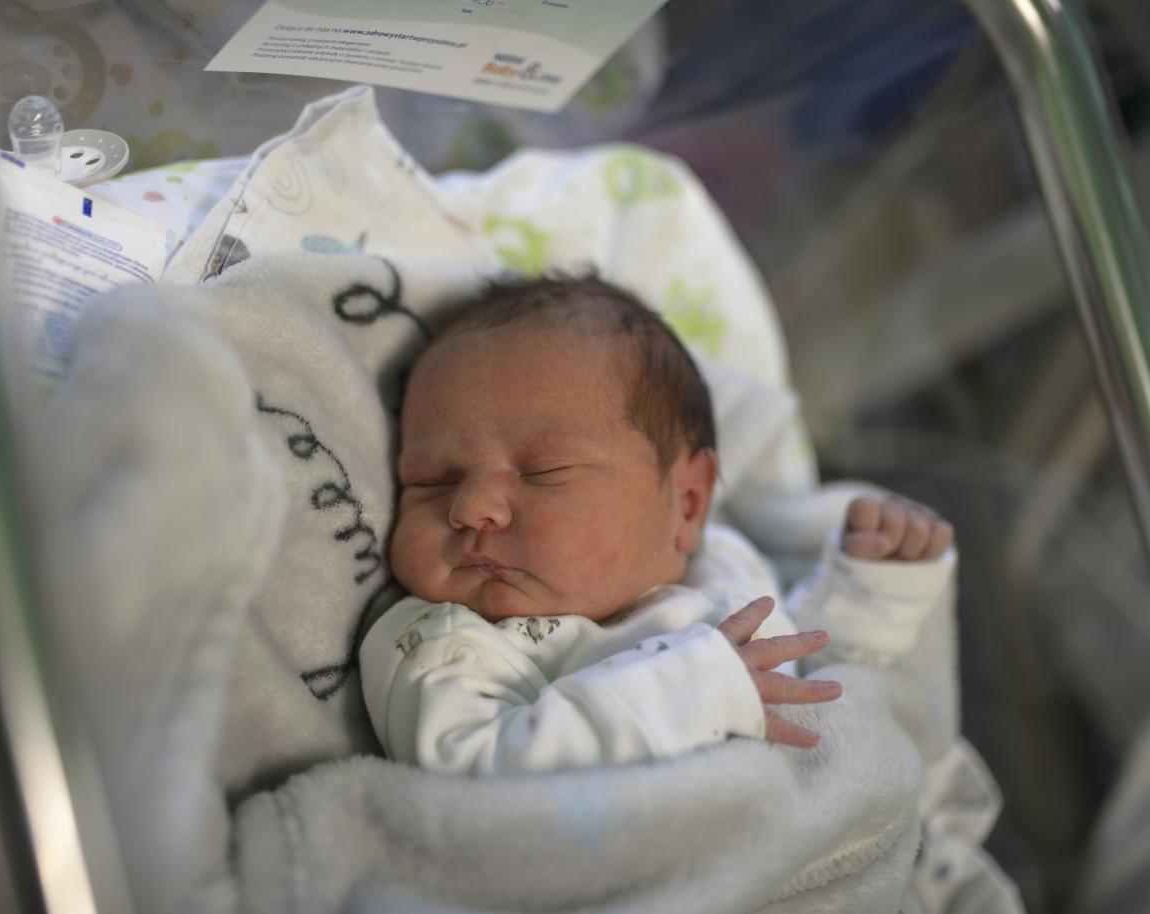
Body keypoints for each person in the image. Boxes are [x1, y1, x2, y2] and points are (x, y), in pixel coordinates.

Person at [359, 275, 955, 776]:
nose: (469, 508)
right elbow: (471, 774)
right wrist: (686, 692)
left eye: (544, 471)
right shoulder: (445, 646)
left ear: (687, 505)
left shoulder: (721, 565)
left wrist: (868, 599)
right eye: (431, 481)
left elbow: (814, 691)